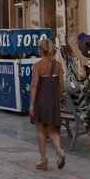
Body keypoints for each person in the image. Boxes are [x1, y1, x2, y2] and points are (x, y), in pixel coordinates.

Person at [29, 38, 65, 171]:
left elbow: (34, 85)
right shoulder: (58, 65)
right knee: (53, 129)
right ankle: (59, 149)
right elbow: (61, 86)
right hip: (53, 100)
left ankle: (44, 159)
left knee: (40, 129)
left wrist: (32, 104)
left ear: (40, 49)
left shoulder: (37, 65)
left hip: (41, 100)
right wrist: (58, 98)